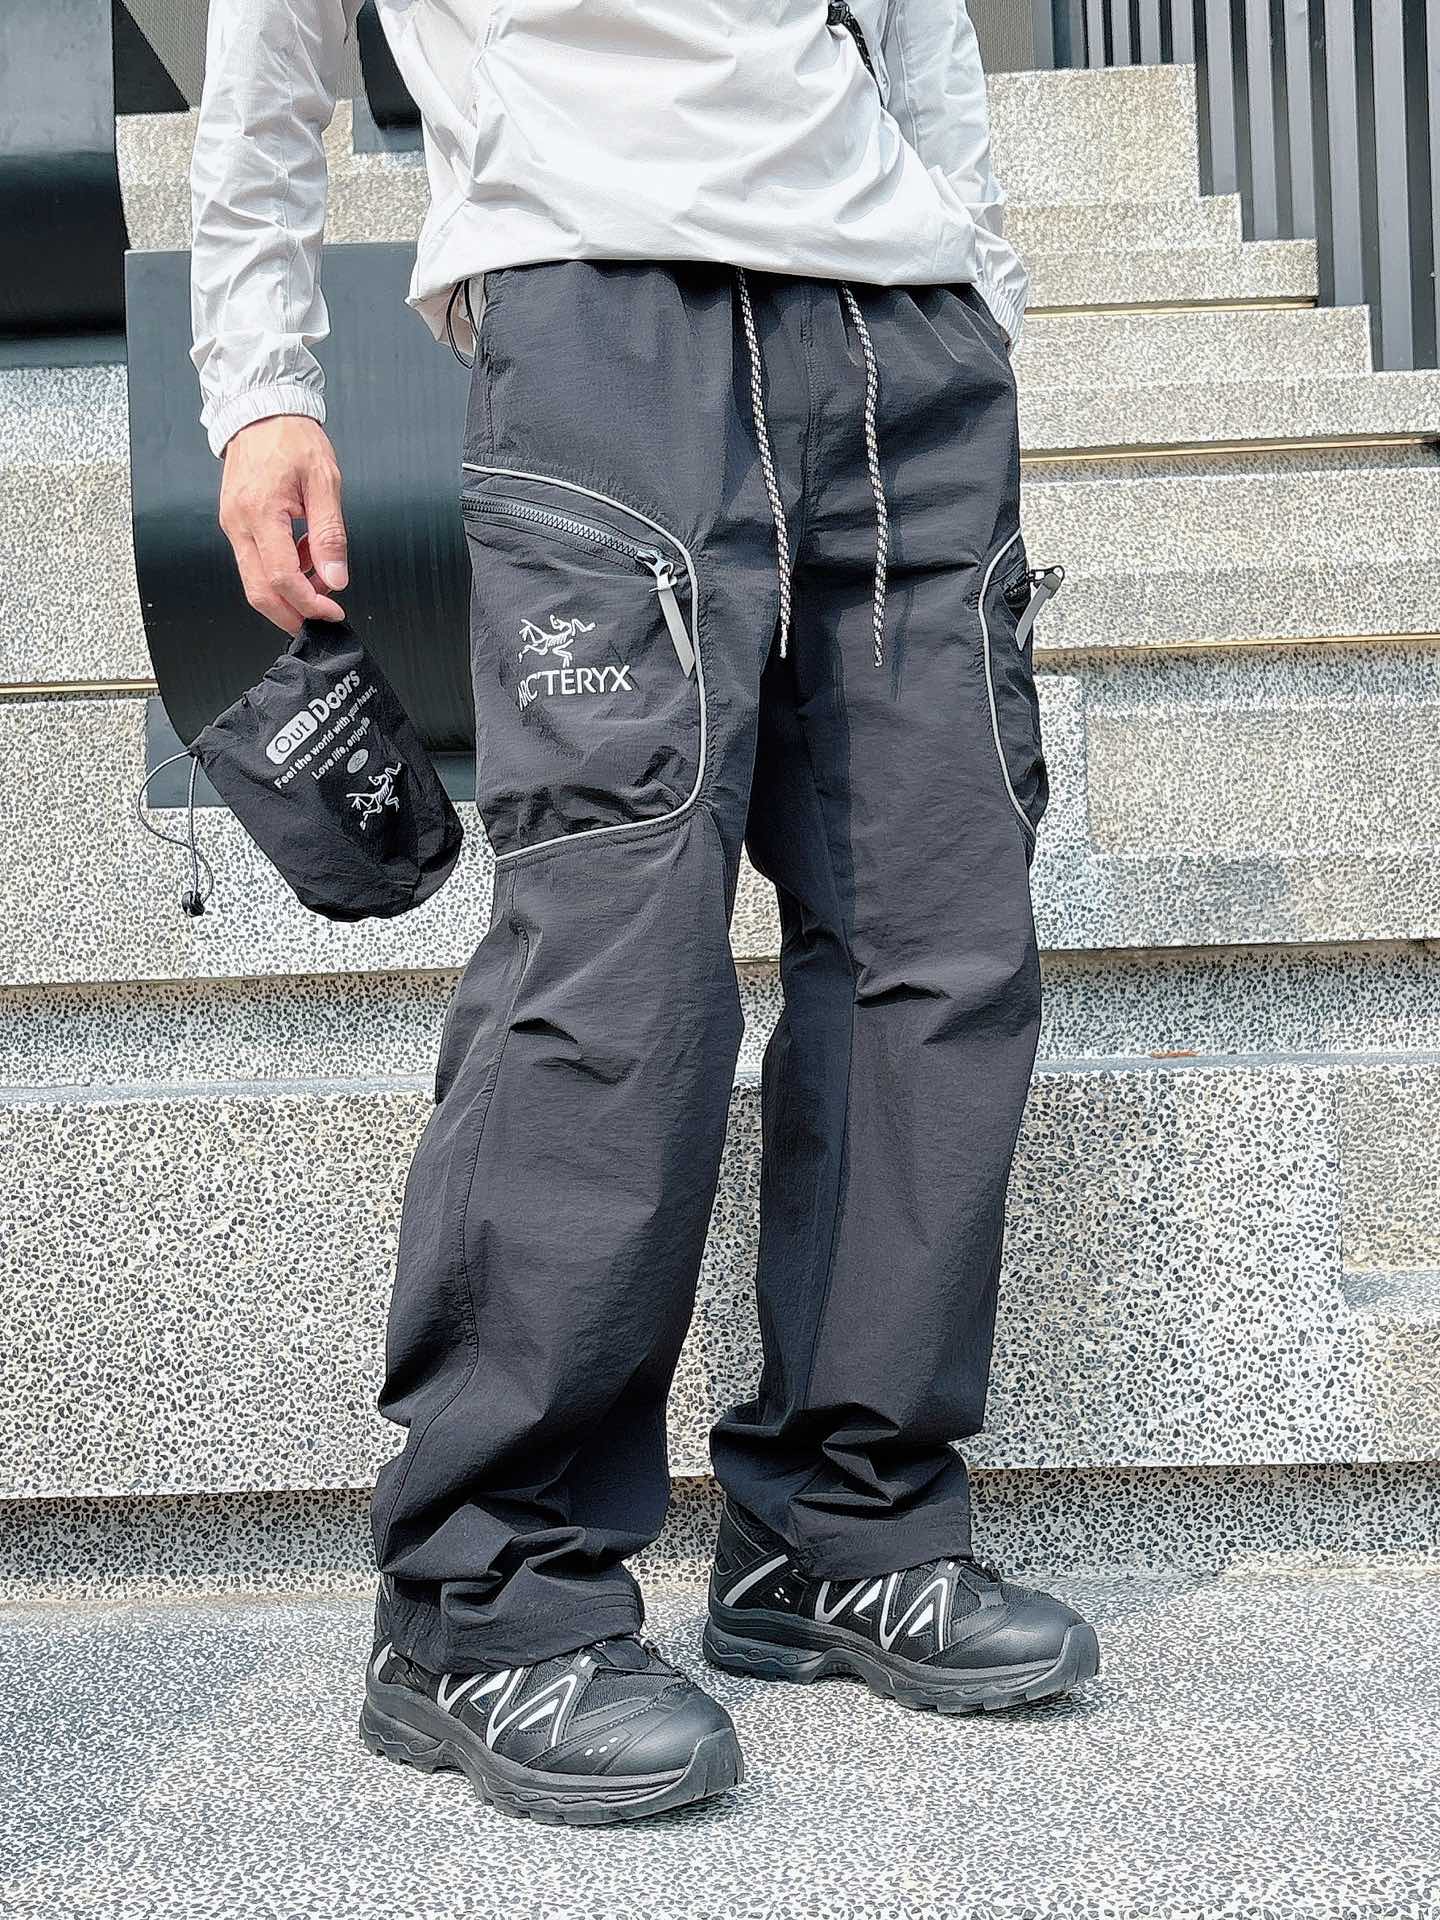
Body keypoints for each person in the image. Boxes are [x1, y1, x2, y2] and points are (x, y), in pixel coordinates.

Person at [191, 0, 1100, 1828]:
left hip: (900, 340)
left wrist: (974, 282)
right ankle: (485, 1595)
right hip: (604, 317)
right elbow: (269, 55)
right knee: (618, 966)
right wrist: (261, 383)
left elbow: (917, 32)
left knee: (939, 946)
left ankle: (843, 1525)